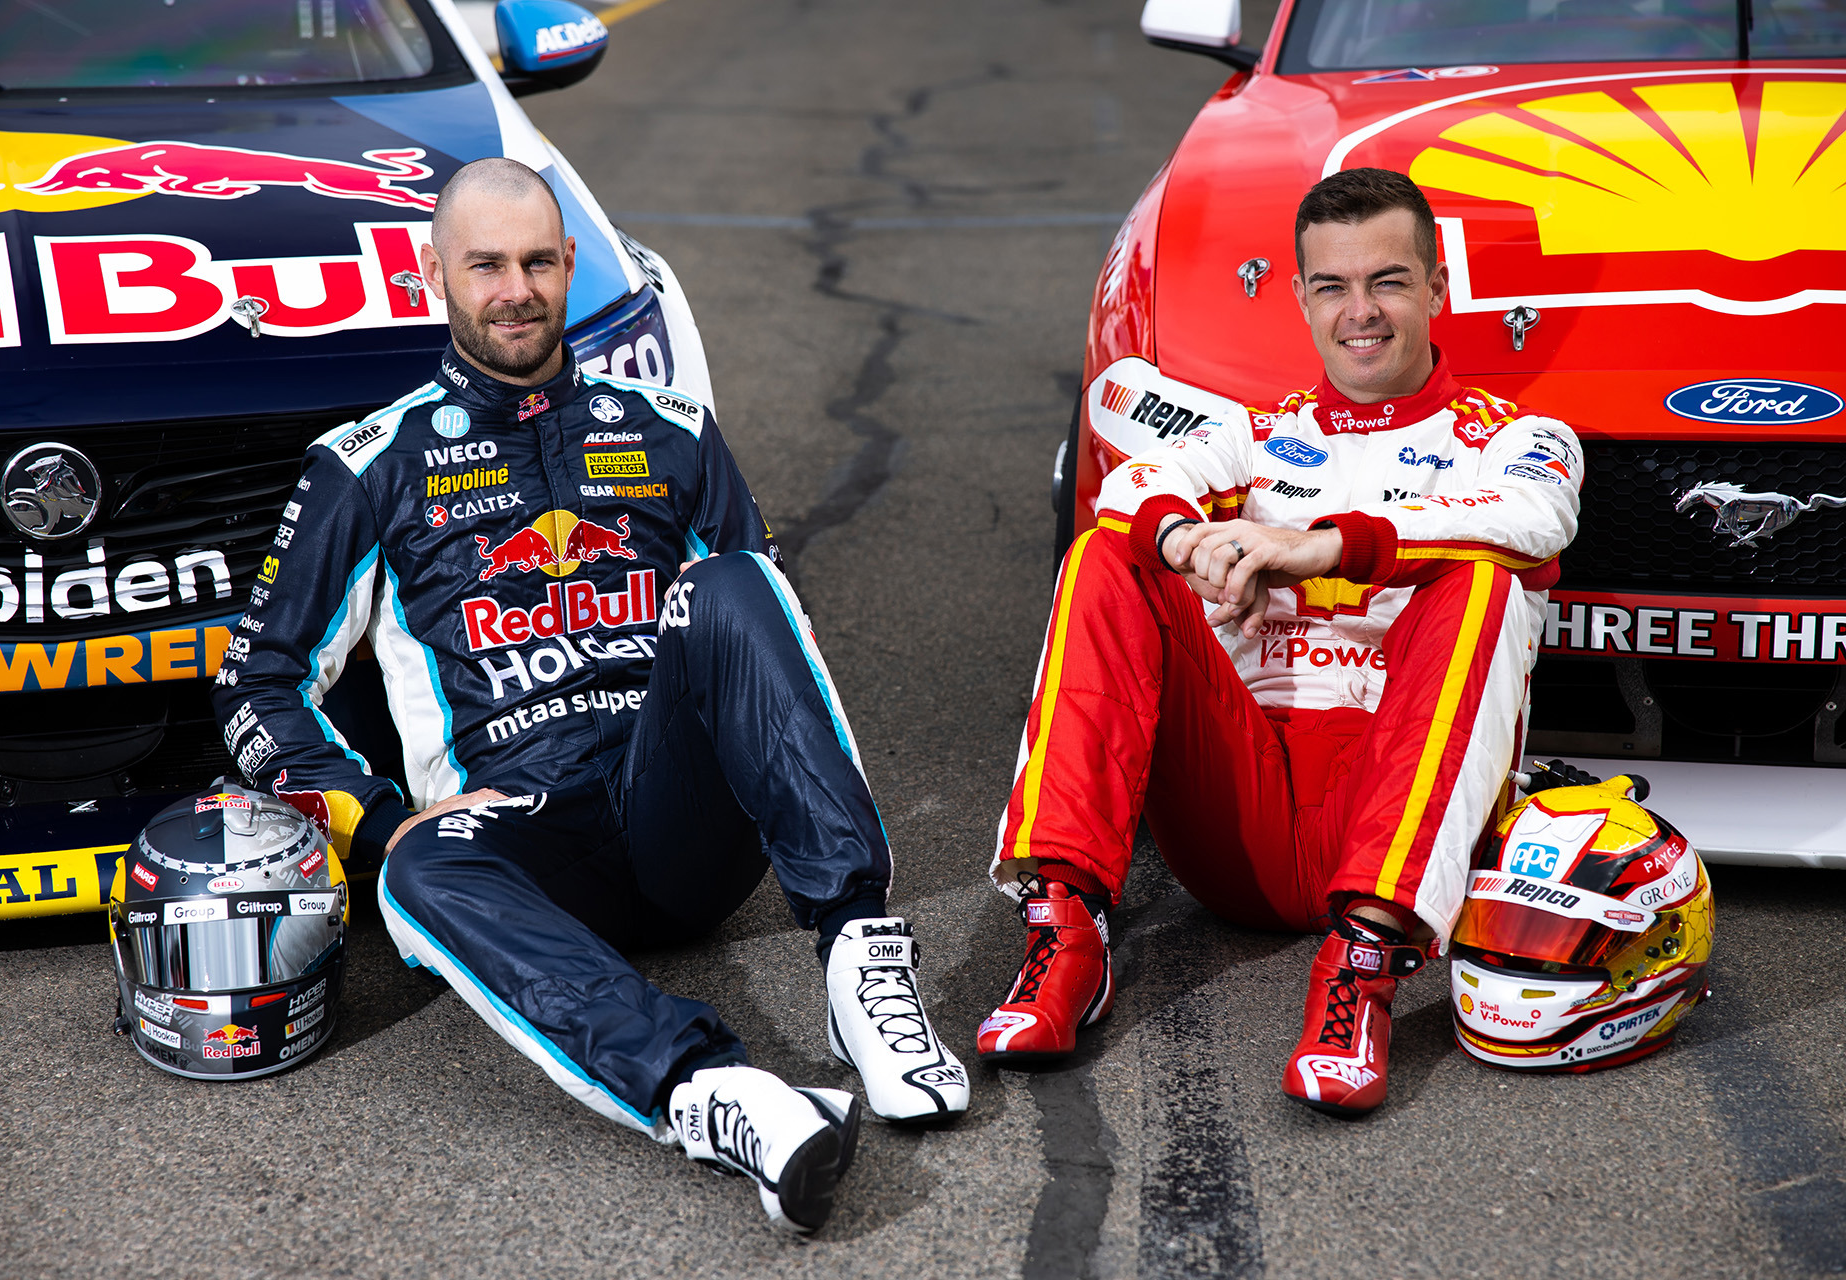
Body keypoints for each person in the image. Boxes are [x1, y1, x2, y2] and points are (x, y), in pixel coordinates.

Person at [213, 158, 968, 1231]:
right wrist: (376, 815)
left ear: (570, 265)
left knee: (737, 580)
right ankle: (716, 1096)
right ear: (435, 273)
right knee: (413, 866)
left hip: (679, 819)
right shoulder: (367, 463)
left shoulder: (672, 427)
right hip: (525, 842)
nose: (514, 288)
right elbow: (257, 681)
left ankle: (860, 959)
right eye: (486, 265)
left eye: (535, 261)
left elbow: (768, 633)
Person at [976, 168, 1582, 1115]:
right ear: (1300, 299)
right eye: (1332, 287)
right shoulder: (1259, 436)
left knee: (1483, 584)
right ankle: (1065, 930)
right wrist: (1197, 548)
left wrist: (1314, 549)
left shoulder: (1520, 438)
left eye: (1387, 280)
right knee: (1106, 555)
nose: (1361, 312)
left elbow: (1531, 519)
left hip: (1387, 809)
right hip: (1241, 816)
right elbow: (1134, 489)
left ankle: (1364, 969)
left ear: (1436, 289)